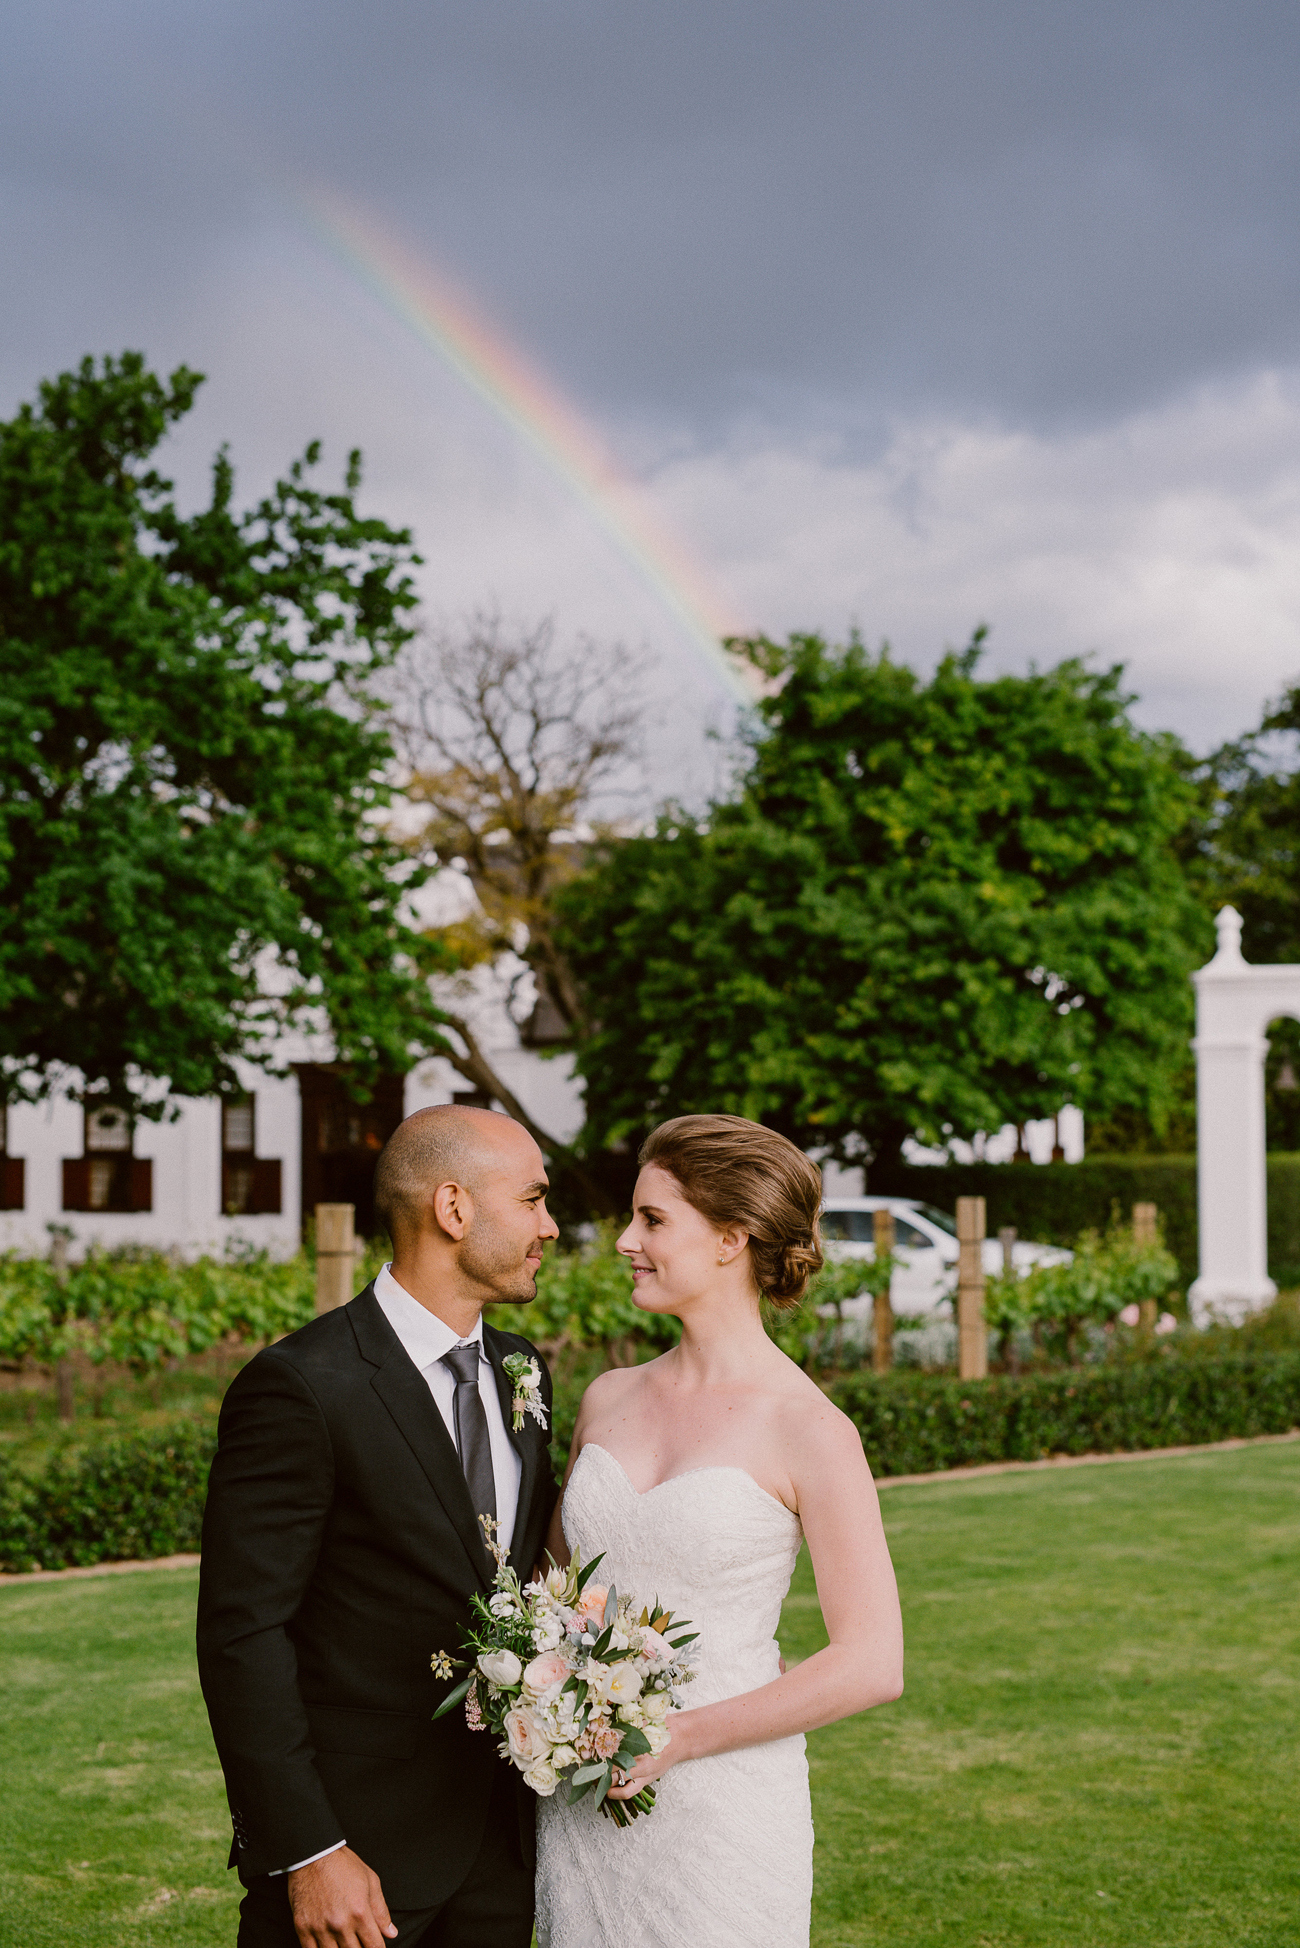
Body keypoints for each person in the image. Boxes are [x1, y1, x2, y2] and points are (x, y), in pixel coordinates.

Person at [534, 1113, 904, 1948]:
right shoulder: (608, 1398)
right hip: (584, 1797)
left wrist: (673, 1738)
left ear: (732, 1239)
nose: (625, 1240)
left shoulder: (810, 1429)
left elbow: (873, 1663)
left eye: (653, 1220)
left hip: (723, 1808)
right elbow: (548, 1596)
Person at [197, 1105, 560, 1948]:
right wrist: (309, 1850)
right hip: (353, 1865)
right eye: (534, 1199)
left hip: (503, 1852)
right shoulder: (301, 1386)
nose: (550, 1226)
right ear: (453, 1208)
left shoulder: (523, 1371)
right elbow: (243, 1635)